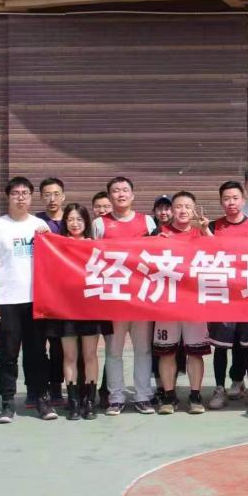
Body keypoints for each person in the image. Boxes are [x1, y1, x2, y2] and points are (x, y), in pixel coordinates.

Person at [0, 176, 54, 423]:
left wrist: (48, 236)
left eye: (25, 193)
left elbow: (55, 258)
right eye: (15, 193)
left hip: (37, 301)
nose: (20, 197)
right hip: (7, 301)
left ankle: (42, 399)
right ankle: (7, 404)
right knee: (8, 354)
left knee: (37, 353)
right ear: (8, 197)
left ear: (31, 197)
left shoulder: (40, 226)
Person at [93, 176, 157, 416]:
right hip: (114, 299)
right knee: (113, 351)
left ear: (133, 195)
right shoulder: (100, 224)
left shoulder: (147, 221)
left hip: (141, 298)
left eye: (125, 190)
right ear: (109, 196)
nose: (121, 194)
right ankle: (116, 397)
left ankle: (143, 396)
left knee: (143, 350)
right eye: (116, 191)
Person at [152, 191, 211, 415]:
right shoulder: (159, 233)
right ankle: (169, 396)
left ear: (194, 209)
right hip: (166, 303)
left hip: (194, 303)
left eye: (187, 206)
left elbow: (222, 254)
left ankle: (195, 396)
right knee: (166, 352)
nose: (183, 210)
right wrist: (156, 244)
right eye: (178, 206)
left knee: (195, 352)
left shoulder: (201, 233)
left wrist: (207, 231)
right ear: (171, 210)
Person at [48, 203, 108, 420]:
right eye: (71, 219)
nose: (75, 224)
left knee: (90, 354)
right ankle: (73, 401)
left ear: (86, 222)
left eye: (79, 219)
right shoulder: (56, 245)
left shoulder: (95, 246)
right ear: (65, 222)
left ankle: (89, 401)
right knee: (70, 355)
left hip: (90, 307)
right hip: (65, 308)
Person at [207, 181, 248, 409]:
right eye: (226, 198)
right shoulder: (212, 226)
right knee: (221, 346)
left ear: (243, 200)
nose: (231, 202)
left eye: (235, 198)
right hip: (222, 295)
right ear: (221, 202)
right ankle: (219, 388)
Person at [35, 177, 66, 406]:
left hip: (64, 296)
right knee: (37, 344)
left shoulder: (72, 220)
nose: (52, 198)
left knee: (58, 345)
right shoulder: (34, 222)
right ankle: (37, 388)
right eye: (47, 194)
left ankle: (56, 387)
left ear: (63, 196)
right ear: (41, 197)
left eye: (56, 194)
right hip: (39, 292)